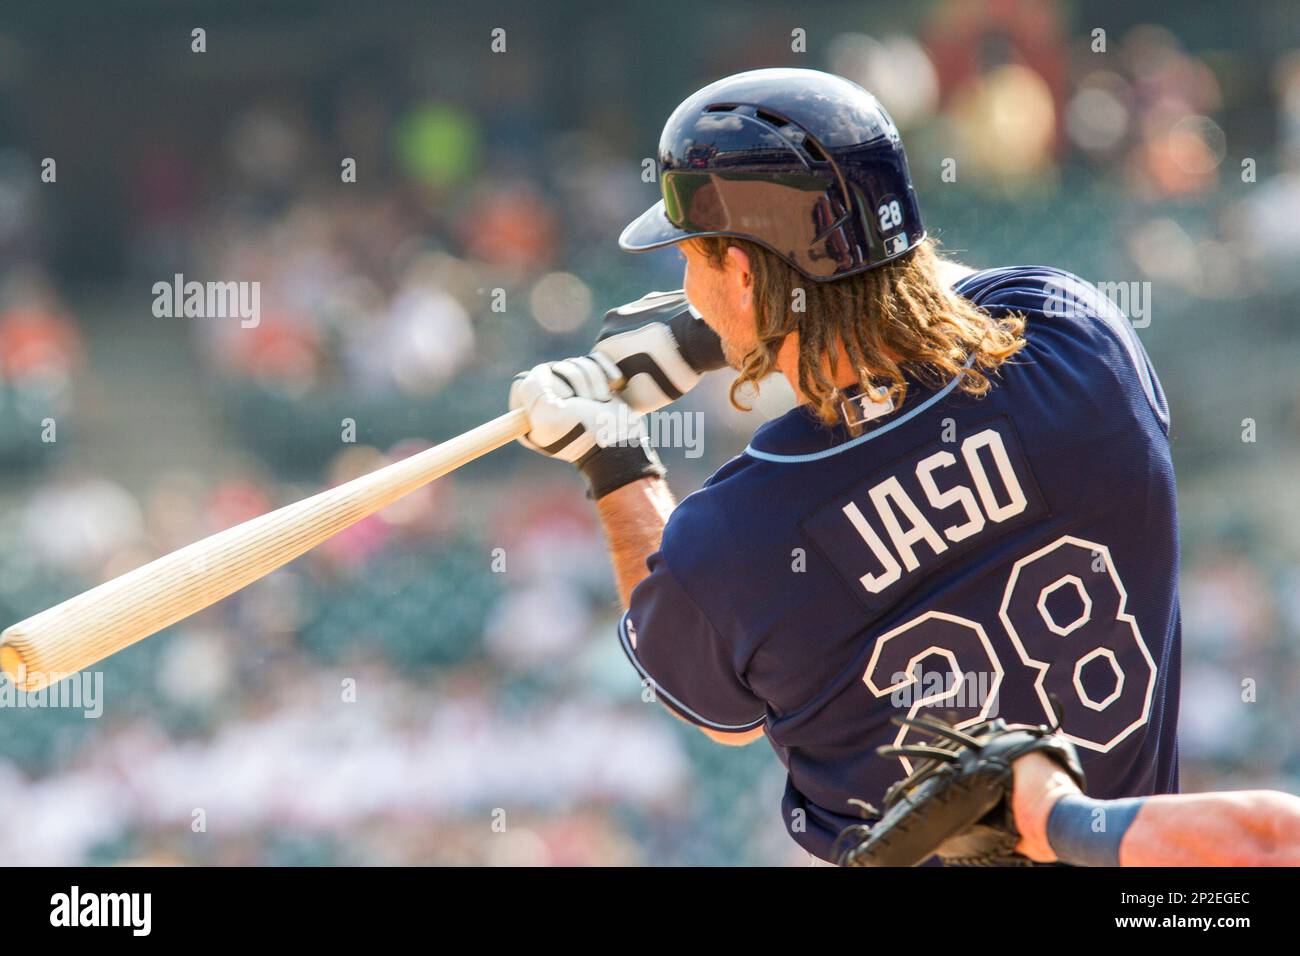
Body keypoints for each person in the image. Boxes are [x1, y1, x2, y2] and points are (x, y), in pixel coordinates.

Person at [508, 68, 1181, 863]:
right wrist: (732, 328)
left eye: (695, 259)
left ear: (748, 273)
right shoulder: (1082, 349)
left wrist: (611, 456)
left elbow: (705, 703)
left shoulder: (735, 536)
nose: (687, 285)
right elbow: (941, 291)